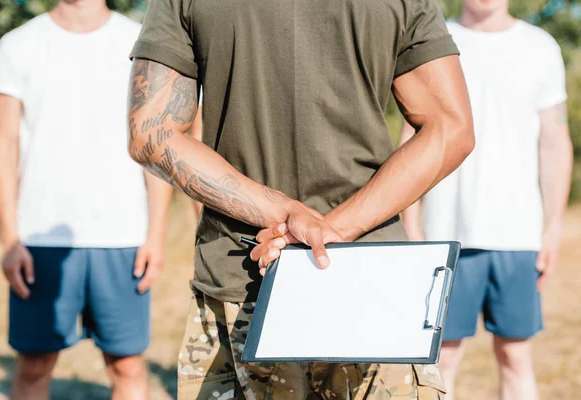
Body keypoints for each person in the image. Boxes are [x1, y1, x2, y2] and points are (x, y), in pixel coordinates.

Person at [126, 0, 475, 397]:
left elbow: (151, 134)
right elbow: (451, 128)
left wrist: (286, 216)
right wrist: (332, 231)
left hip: (244, 277)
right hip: (368, 282)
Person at [0, 0, 179, 398]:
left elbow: (155, 145)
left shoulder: (140, 42)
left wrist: (156, 235)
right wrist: (9, 239)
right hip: (40, 238)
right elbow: (3, 147)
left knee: (127, 365)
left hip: (122, 235)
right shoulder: (18, 44)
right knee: (35, 365)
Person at [399, 0, 573, 399]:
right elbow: (412, 137)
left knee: (515, 355)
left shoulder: (540, 47)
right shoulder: (432, 40)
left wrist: (553, 227)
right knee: (440, 362)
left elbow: (554, 143)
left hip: (518, 235)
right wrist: (412, 221)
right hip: (445, 236)